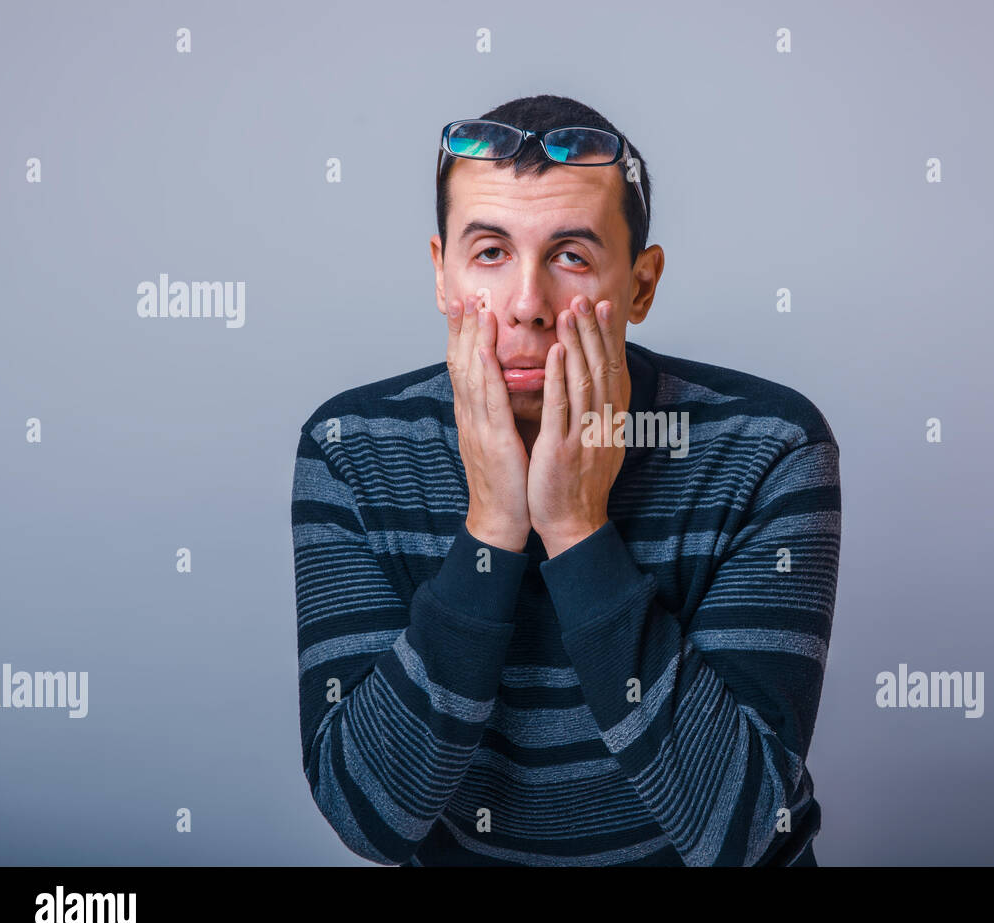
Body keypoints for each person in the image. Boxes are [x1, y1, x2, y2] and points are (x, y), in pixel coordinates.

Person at [291, 94, 841, 865]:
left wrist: (577, 529)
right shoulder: (351, 449)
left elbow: (746, 830)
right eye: (489, 253)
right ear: (441, 276)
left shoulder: (768, 446)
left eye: (571, 256)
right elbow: (368, 814)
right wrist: (491, 528)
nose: (527, 306)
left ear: (642, 286)